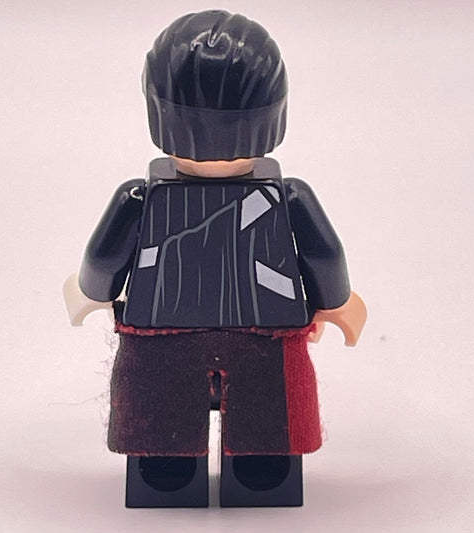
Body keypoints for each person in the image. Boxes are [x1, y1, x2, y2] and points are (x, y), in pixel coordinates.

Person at [64, 10, 366, 507]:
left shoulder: (140, 198)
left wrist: (90, 293)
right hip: (267, 333)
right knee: (268, 423)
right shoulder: (287, 197)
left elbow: (103, 259)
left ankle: (166, 478)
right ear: (274, 117)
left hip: (160, 336)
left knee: (161, 424)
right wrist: (336, 304)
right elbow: (325, 255)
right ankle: (261, 477)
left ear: (158, 114)